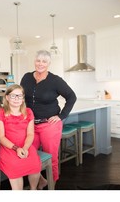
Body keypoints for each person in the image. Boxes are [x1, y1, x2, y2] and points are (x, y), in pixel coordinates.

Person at [20, 50, 77, 189]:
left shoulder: (55, 80)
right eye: (38, 60)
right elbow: (21, 97)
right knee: (28, 155)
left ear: (49, 64)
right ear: (34, 61)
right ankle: (41, 181)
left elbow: (71, 97)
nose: (40, 64)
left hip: (49, 125)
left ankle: (52, 186)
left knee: (51, 158)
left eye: (44, 61)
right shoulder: (26, 77)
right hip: (30, 124)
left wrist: (61, 116)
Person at [0, 84, 41, 190]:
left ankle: (33, 189)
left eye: (19, 96)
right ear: (7, 97)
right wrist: (17, 148)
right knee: (15, 165)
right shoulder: (0, 113)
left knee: (35, 163)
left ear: (23, 98)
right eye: (13, 96)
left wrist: (25, 147)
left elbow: (30, 134)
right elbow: (1, 137)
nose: (16, 99)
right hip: (9, 147)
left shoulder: (28, 112)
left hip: (26, 145)